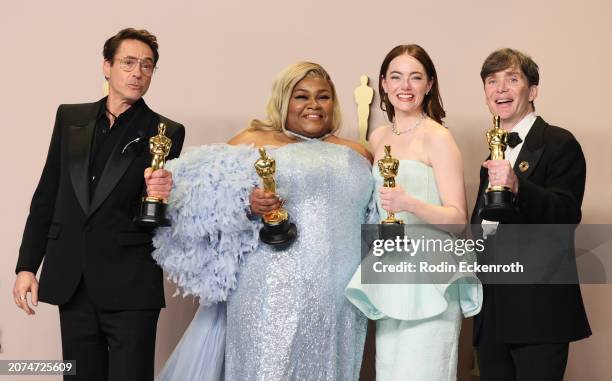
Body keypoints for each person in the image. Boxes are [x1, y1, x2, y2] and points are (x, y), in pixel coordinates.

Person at [153, 61, 375, 380]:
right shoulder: (253, 140)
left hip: (339, 296)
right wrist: (247, 204)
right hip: (268, 288)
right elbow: (197, 198)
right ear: (284, 100)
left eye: (323, 96)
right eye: (301, 96)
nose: (313, 104)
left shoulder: (357, 153)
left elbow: (375, 217)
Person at [12, 28, 185, 381]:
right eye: (128, 62)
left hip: (130, 284)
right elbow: (48, 193)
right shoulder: (69, 118)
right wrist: (27, 265)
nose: (137, 73)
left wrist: (164, 195)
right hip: (72, 281)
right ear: (107, 67)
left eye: (147, 66)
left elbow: (156, 215)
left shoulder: (165, 132)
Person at [344, 44, 482, 380]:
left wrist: (410, 203)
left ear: (429, 84)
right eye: (396, 77)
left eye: (415, 77)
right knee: (390, 371)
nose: (405, 86)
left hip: (431, 275)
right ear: (384, 83)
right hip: (391, 272)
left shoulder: (438, 138)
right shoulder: (377, 138)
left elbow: (458, 219)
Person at [471, 48, 591, 381]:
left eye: (512, 79)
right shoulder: (492, 153)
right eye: (492, 81)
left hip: (540, 314)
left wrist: (517, 185)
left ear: (533, 91)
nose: (500, 89)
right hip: (492, 315)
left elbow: (567, 215)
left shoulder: (558, 142)